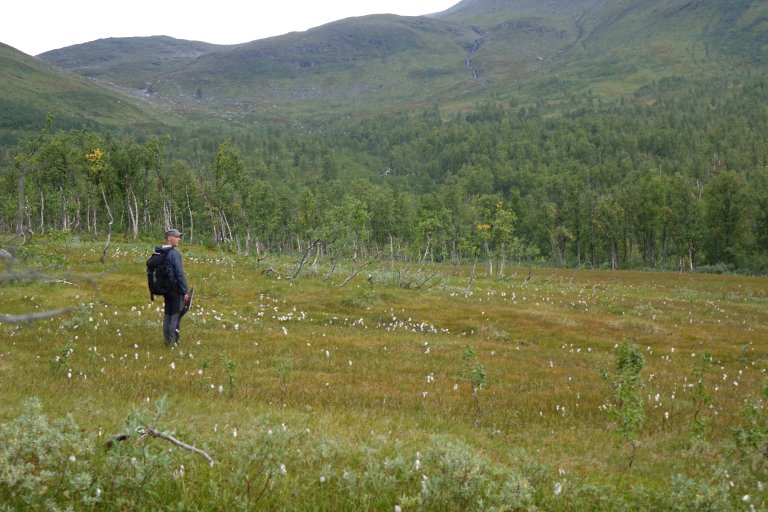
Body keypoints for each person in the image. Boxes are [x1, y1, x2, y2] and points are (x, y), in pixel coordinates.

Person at [156, 228, 190, 347]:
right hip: (175, 290)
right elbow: (179, 273)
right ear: (169, 238)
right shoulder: (174, 253)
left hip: (166, 289)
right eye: (177, 237)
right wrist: (185, 291)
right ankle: (172, 343)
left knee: (168, 316)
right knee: (174, 316)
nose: (179, 239)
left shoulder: (161, 252)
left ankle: (167, 341)